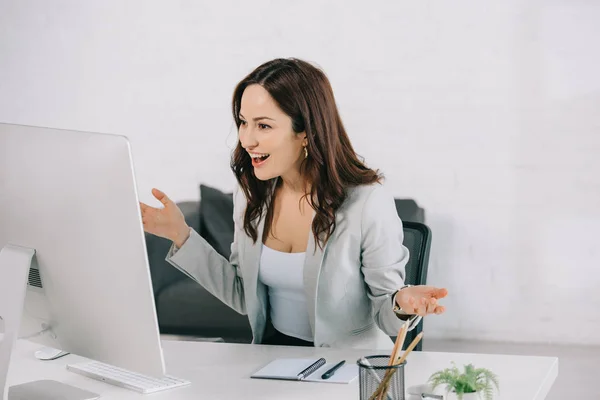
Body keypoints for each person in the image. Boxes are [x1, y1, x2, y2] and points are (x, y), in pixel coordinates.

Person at [140, 58, 447, 350]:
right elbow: (242, 295)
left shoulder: (367, 202)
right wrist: (181, 235)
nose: (247, 140)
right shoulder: (250, 195)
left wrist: (401, 303)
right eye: (243, 122)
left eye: (263, 126)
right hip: (271, 359)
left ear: (305, 132)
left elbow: (386, 313)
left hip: (345, 368)